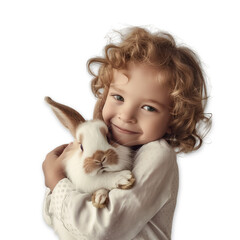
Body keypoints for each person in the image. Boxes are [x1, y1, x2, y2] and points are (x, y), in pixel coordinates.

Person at [42, 27, 211, 240]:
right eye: (119, 98)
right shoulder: (102, 143)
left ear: (173, 118)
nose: (126, 115)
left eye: (149, 108)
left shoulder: (157, 155)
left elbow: (103, 229)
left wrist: (56, 180)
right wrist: (63, 178)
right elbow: (51, 216)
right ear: (104, 97)